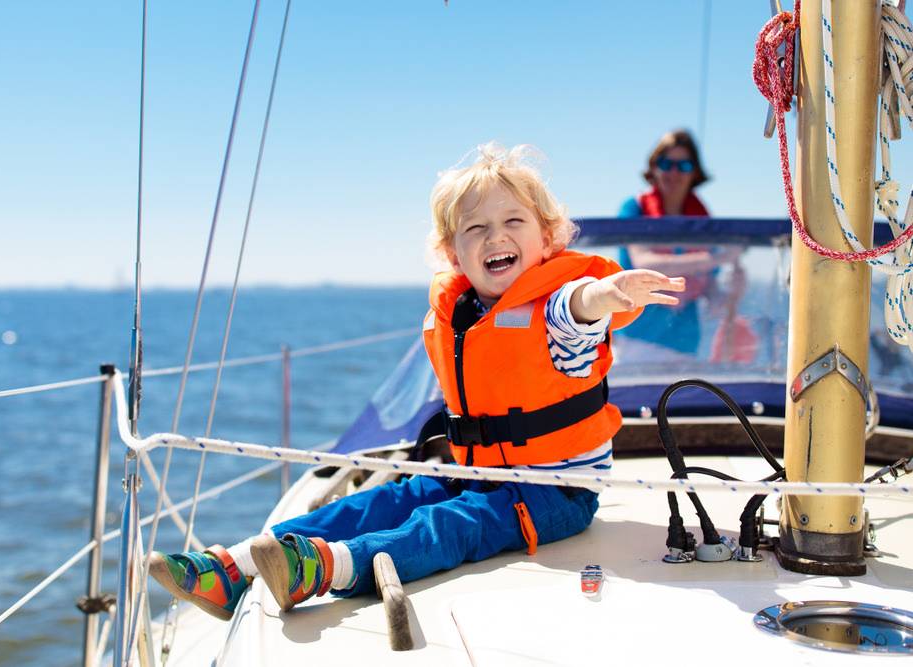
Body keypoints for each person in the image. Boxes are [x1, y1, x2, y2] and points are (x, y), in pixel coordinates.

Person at [147, 143, 685, 620]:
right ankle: (235, 568)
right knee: (375, 503)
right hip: (479, 471)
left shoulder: (553, 316)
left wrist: (606, 294)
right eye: (476, 228)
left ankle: (330, 568)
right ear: (455, 254)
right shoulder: (467, 312)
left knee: (451, 525)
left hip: (557, 494)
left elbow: (577, 309)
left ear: (546, 239)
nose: (495, 236)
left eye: (513, 223)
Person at [615, 129, 739, 356]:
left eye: (683, 166)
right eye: (666, 163)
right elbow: (645, 262)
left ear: (694, 173)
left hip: (685, 346)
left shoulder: (703, 221)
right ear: (653, 167)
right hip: (636, 344)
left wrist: (732, 292)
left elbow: (710, 290)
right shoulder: (634, 209)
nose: (674, 172)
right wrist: (718, 258)